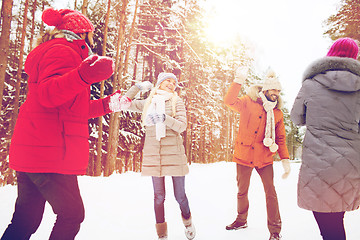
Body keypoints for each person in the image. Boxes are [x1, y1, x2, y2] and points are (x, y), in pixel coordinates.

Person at [1, 8, 130, 240]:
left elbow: (70, 108)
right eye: (90, 35)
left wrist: (108, 104)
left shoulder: (58, 50)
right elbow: (49, 95)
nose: (92, 40)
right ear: (81, 34)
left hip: (36, 151)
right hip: (48, 153)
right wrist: (84, 75)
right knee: (71, 215)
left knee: (26, 220)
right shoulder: (63, 51)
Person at [290, 37, 360, 240]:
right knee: (336, 220)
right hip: (349, 164)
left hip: (319, 162)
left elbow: (296, 118)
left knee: (329, 226)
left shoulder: (311, 84)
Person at [124, 72, 195, 240]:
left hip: (174, 154)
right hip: (153, 155)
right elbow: (124, 103)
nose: (171, 84)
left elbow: (182, 126)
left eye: (173, 82)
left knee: (180, 196)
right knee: (159, 197)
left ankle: (188, 222)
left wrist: (164, 118)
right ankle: (162, 234)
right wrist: (138, 87)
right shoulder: (148, 103)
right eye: (167, 81)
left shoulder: (177, 101)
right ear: (159, 83)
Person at [223, 67, 291, 240]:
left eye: (278, 90)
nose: (276, 93)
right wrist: (238, 81)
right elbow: (229, 101)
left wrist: (285, 159)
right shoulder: (247, 102)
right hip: (244, 155)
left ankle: (275, 231)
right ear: (266, 89)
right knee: (242, 191)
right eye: (273, 89)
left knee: (270, 192)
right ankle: (241, 220)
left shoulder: (277, 113)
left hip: (264, 158)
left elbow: (281, 138)